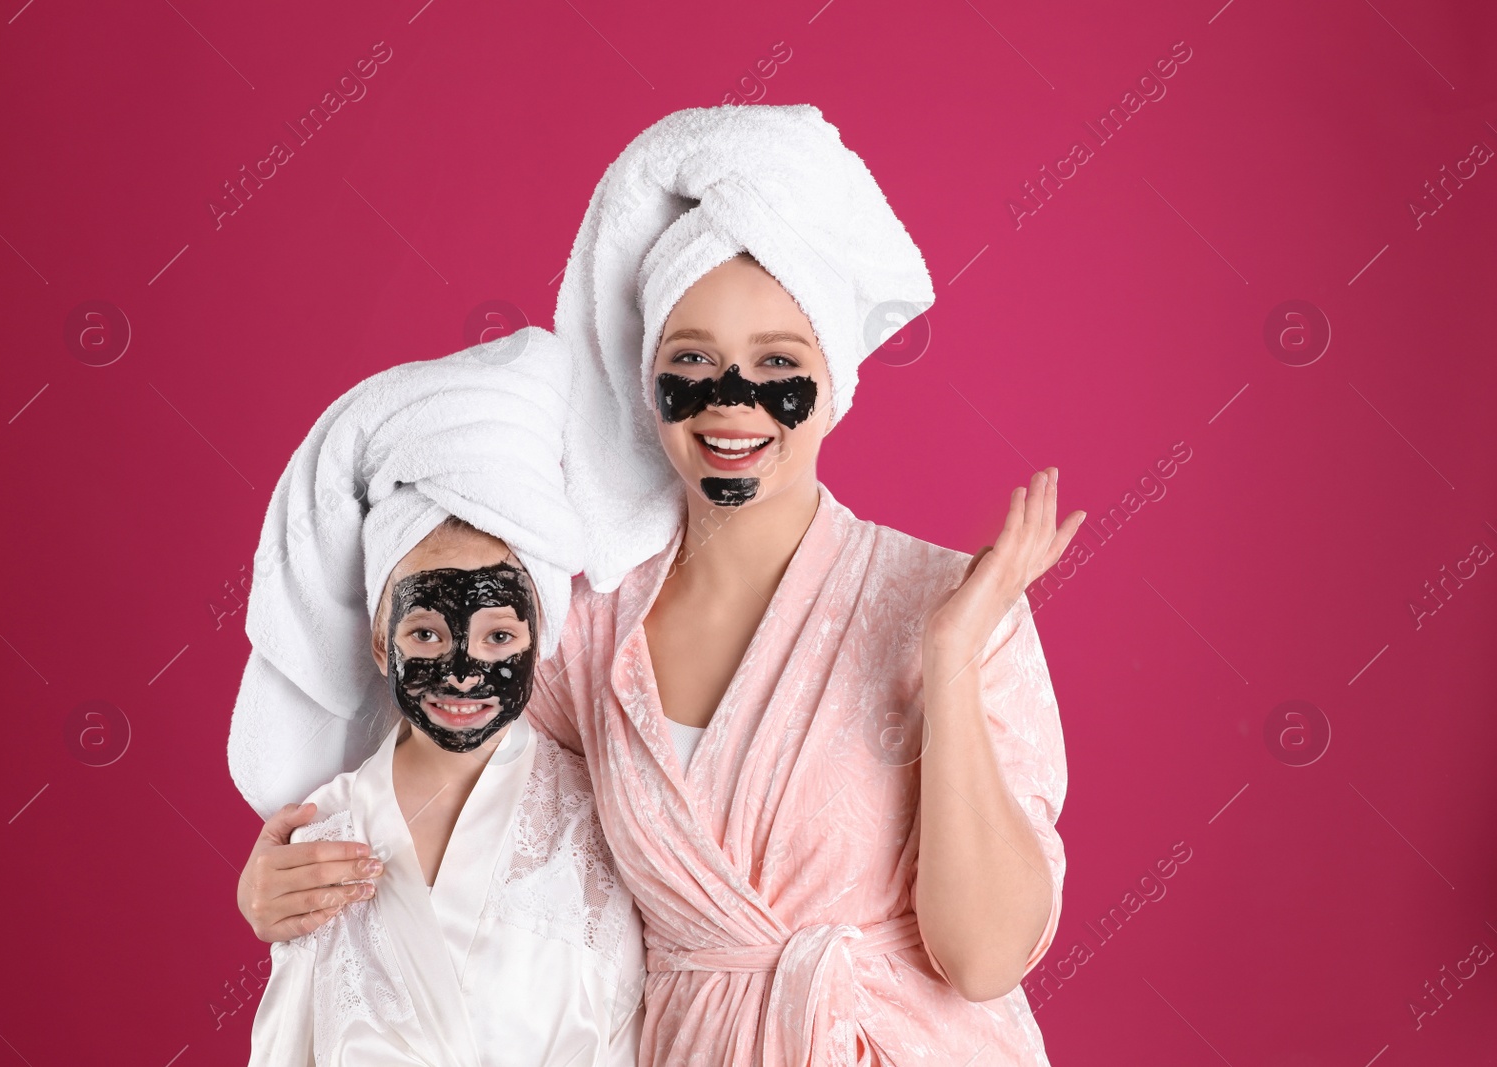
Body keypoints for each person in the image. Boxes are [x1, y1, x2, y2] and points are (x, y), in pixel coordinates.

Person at [241, 104, 1083, 1066]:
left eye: (779, 365)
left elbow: (982, 958)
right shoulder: (591, 624)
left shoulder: (952, 607)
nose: (734, 403)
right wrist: (301, 876)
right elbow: (460, 796)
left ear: (835, 379)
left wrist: (945, 659)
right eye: (693, 364)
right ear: (648, 382)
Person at [230, 328, 644, 1067]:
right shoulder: (323, 836)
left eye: (495, 636)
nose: (461, 672)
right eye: (426, 633)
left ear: (538, 634)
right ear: (381, 640)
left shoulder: (602, 823)